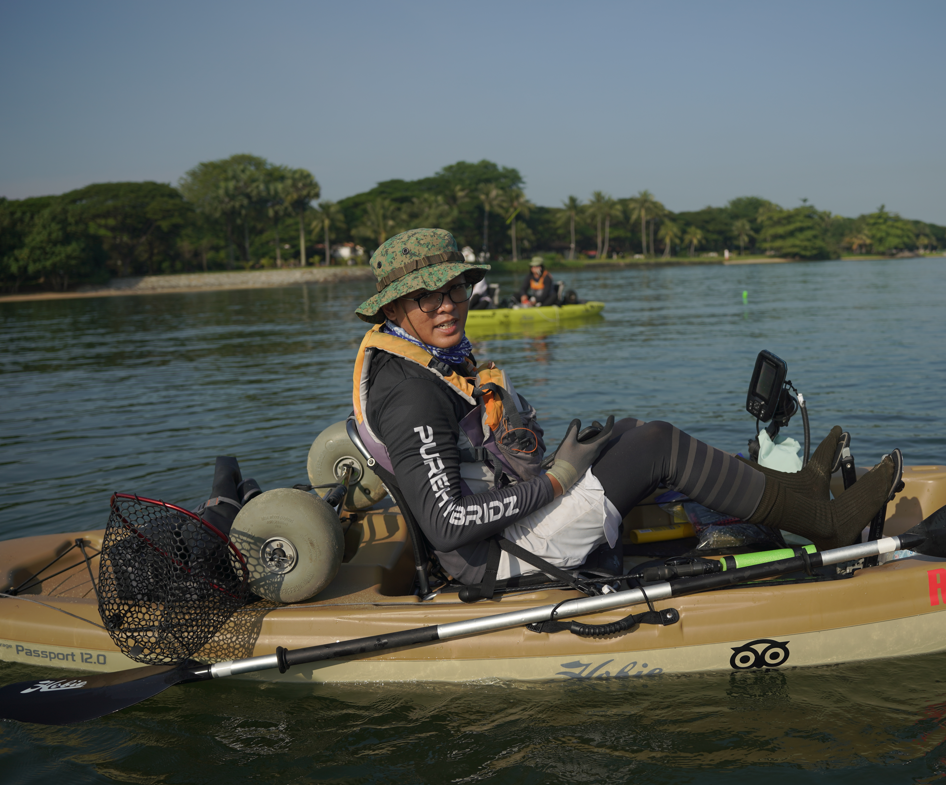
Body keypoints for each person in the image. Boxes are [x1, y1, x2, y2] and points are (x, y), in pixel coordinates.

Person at [351, 229, 901, 587]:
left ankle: (798, 494)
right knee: (656, 444)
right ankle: (826, 525)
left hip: (509, 524)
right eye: (428, 296)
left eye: (456, 289)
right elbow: (447, 525)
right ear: (396, 305)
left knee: (631, 433)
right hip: (497, 558)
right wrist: (558, 481)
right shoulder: (410, 393)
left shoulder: (430, 360)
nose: (447, 305)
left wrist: (564, 467)